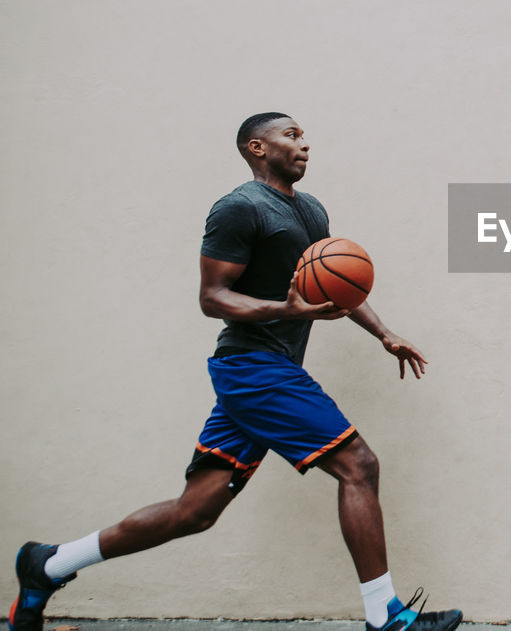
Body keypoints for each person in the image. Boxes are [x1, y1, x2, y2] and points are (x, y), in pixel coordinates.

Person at [9, 113, 461, 631]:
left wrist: (384, 333)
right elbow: (212, 298)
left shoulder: (311, 210)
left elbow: (335, 286)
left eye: (303, 135)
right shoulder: (238, 209)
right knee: (359, 465)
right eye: (291, 135)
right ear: (257, 147)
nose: (305, 144)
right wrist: (286, 312)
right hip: (254, 368)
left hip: (259, 374)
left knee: (194, 511)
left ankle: (48, 564)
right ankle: (387, 616)